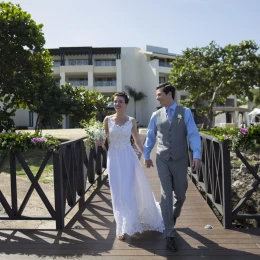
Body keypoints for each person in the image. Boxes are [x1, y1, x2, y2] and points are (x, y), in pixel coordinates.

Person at [143, 82, 201, 252]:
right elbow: (150, 136)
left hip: (180, 159)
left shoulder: (186, 113)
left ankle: (172, 216)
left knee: (181, 195)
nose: (157, 98)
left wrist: (196, 154)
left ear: (169, 94)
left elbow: (193, 134)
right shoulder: (156, 114)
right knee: (166, 195)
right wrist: (146, 155)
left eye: (159, 95)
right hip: (162, 159)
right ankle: (170, 233)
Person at [103, 91, 164, 240]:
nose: (117, 104)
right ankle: (122, 226)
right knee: (117, 192)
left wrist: (147, 155)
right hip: (113, 159)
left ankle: (129, 223)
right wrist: (99, 142)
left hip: (128, 157)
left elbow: (137, 140)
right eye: (115, 101)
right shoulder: (107, 120)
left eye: (120, 102)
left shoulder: (131, 121)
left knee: (129, 189)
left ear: (126, 104)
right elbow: (105, 140)